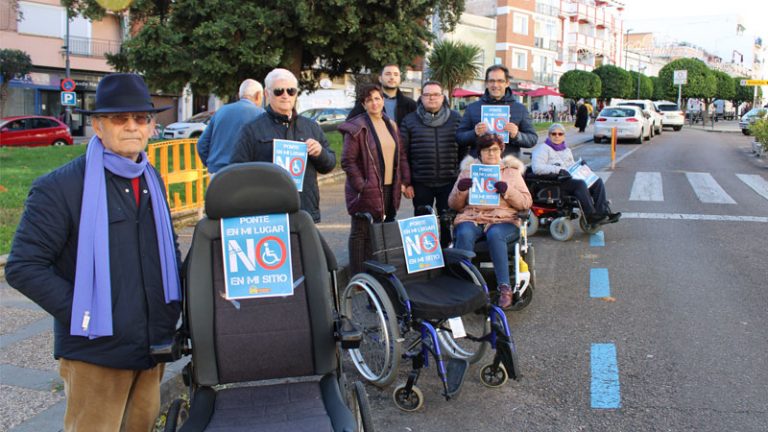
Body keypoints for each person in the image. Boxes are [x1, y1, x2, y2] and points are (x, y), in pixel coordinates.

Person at [5, 73, 182, 432]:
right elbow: (23, 266)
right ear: (99, 126)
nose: (132, 127)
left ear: (151, 126)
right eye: (120, 118)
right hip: (95, 353)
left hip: (152, 348)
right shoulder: (60, 187)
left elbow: (166, 251)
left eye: (141, 118)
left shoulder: (151, 179)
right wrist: (87, 313)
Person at [230, 68, 336, 223]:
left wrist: (320, 153)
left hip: (304, 211)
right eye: (279, 91)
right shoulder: (252, 129)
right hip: (268, 213)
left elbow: (329, 164)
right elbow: (237, 170)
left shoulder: (311, 127)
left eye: (291, 91)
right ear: (267, 94)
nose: (285, 95)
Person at [448, 133, 532, 309]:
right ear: (480, 153)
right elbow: (454, 205)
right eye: (486, 150)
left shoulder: (512, 172)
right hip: (473, 216)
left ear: (501, 150)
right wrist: (461, 190)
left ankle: (505, 288)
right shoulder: (468, 172)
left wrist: (507, 191)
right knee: (463, 232)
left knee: (495, 234)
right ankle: (465, 286)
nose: (491, 153)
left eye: (494, 149)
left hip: (503, 219)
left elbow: (526, 202)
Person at [339, 84, 412, 274]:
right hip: (367, 188)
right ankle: (357, 277)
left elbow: (401, 155)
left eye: (377, 98)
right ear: (363, 104)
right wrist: (361, 185)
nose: (374, 103)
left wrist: (405, 181)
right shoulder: (357, 127)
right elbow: (348, 161)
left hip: (390, 187)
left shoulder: (390, 124)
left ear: (383, 100)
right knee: (360, 233)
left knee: (380, 232)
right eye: (369, 100)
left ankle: (376, 272)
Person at [399, 81, 463, 246]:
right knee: (422, 225)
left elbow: (464, 149)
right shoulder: (409, 120)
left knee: (447, 222)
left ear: (443, 97)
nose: (431, 98)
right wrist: (406, 182)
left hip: (449, 181)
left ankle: (448, 257)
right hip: (420, 182)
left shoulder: (456, 119)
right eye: (427, 95)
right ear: (421, 97)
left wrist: (461, 177)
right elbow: (402, 154)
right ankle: (426, 263)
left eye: (435, 94)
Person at [531, 123, 620, 225]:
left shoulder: (566, 149)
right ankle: (590, 216)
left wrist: (581, 166)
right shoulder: (543, 149)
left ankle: (602, 213)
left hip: (568, 178)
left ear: (564, 136)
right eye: (553, 134)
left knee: (597, 181)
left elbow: (570, 165)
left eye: (560, 134)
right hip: (554, 181)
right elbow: (537, 168)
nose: (557, 136)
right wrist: (558, 169)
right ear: (549, 135)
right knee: (580, 184)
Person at [456, 64, 538, 158]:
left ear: (507, 83)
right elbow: (459, 137)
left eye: (500, 81)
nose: (495, 85)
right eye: (491, 81)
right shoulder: (472, 108)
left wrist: (516, 135)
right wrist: (474, 133)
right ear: (486, 83)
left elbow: (532, 139)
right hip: (480, 167)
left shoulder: (520, 109)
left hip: (508, 166)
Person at [196, 79, 265, 174]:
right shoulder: (261, 115)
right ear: (258, 95)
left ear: (239, 94)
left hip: (217, 172)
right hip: (246, 174)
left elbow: (202, 143)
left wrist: (211, 164)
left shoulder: (221, 111)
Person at [346, 64, 417, 125]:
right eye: (388, 74)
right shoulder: (368, 101)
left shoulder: (411, 105)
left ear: (400, 79)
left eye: (396, 74)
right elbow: (349, 125)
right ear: (380, 78)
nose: (392, 77)